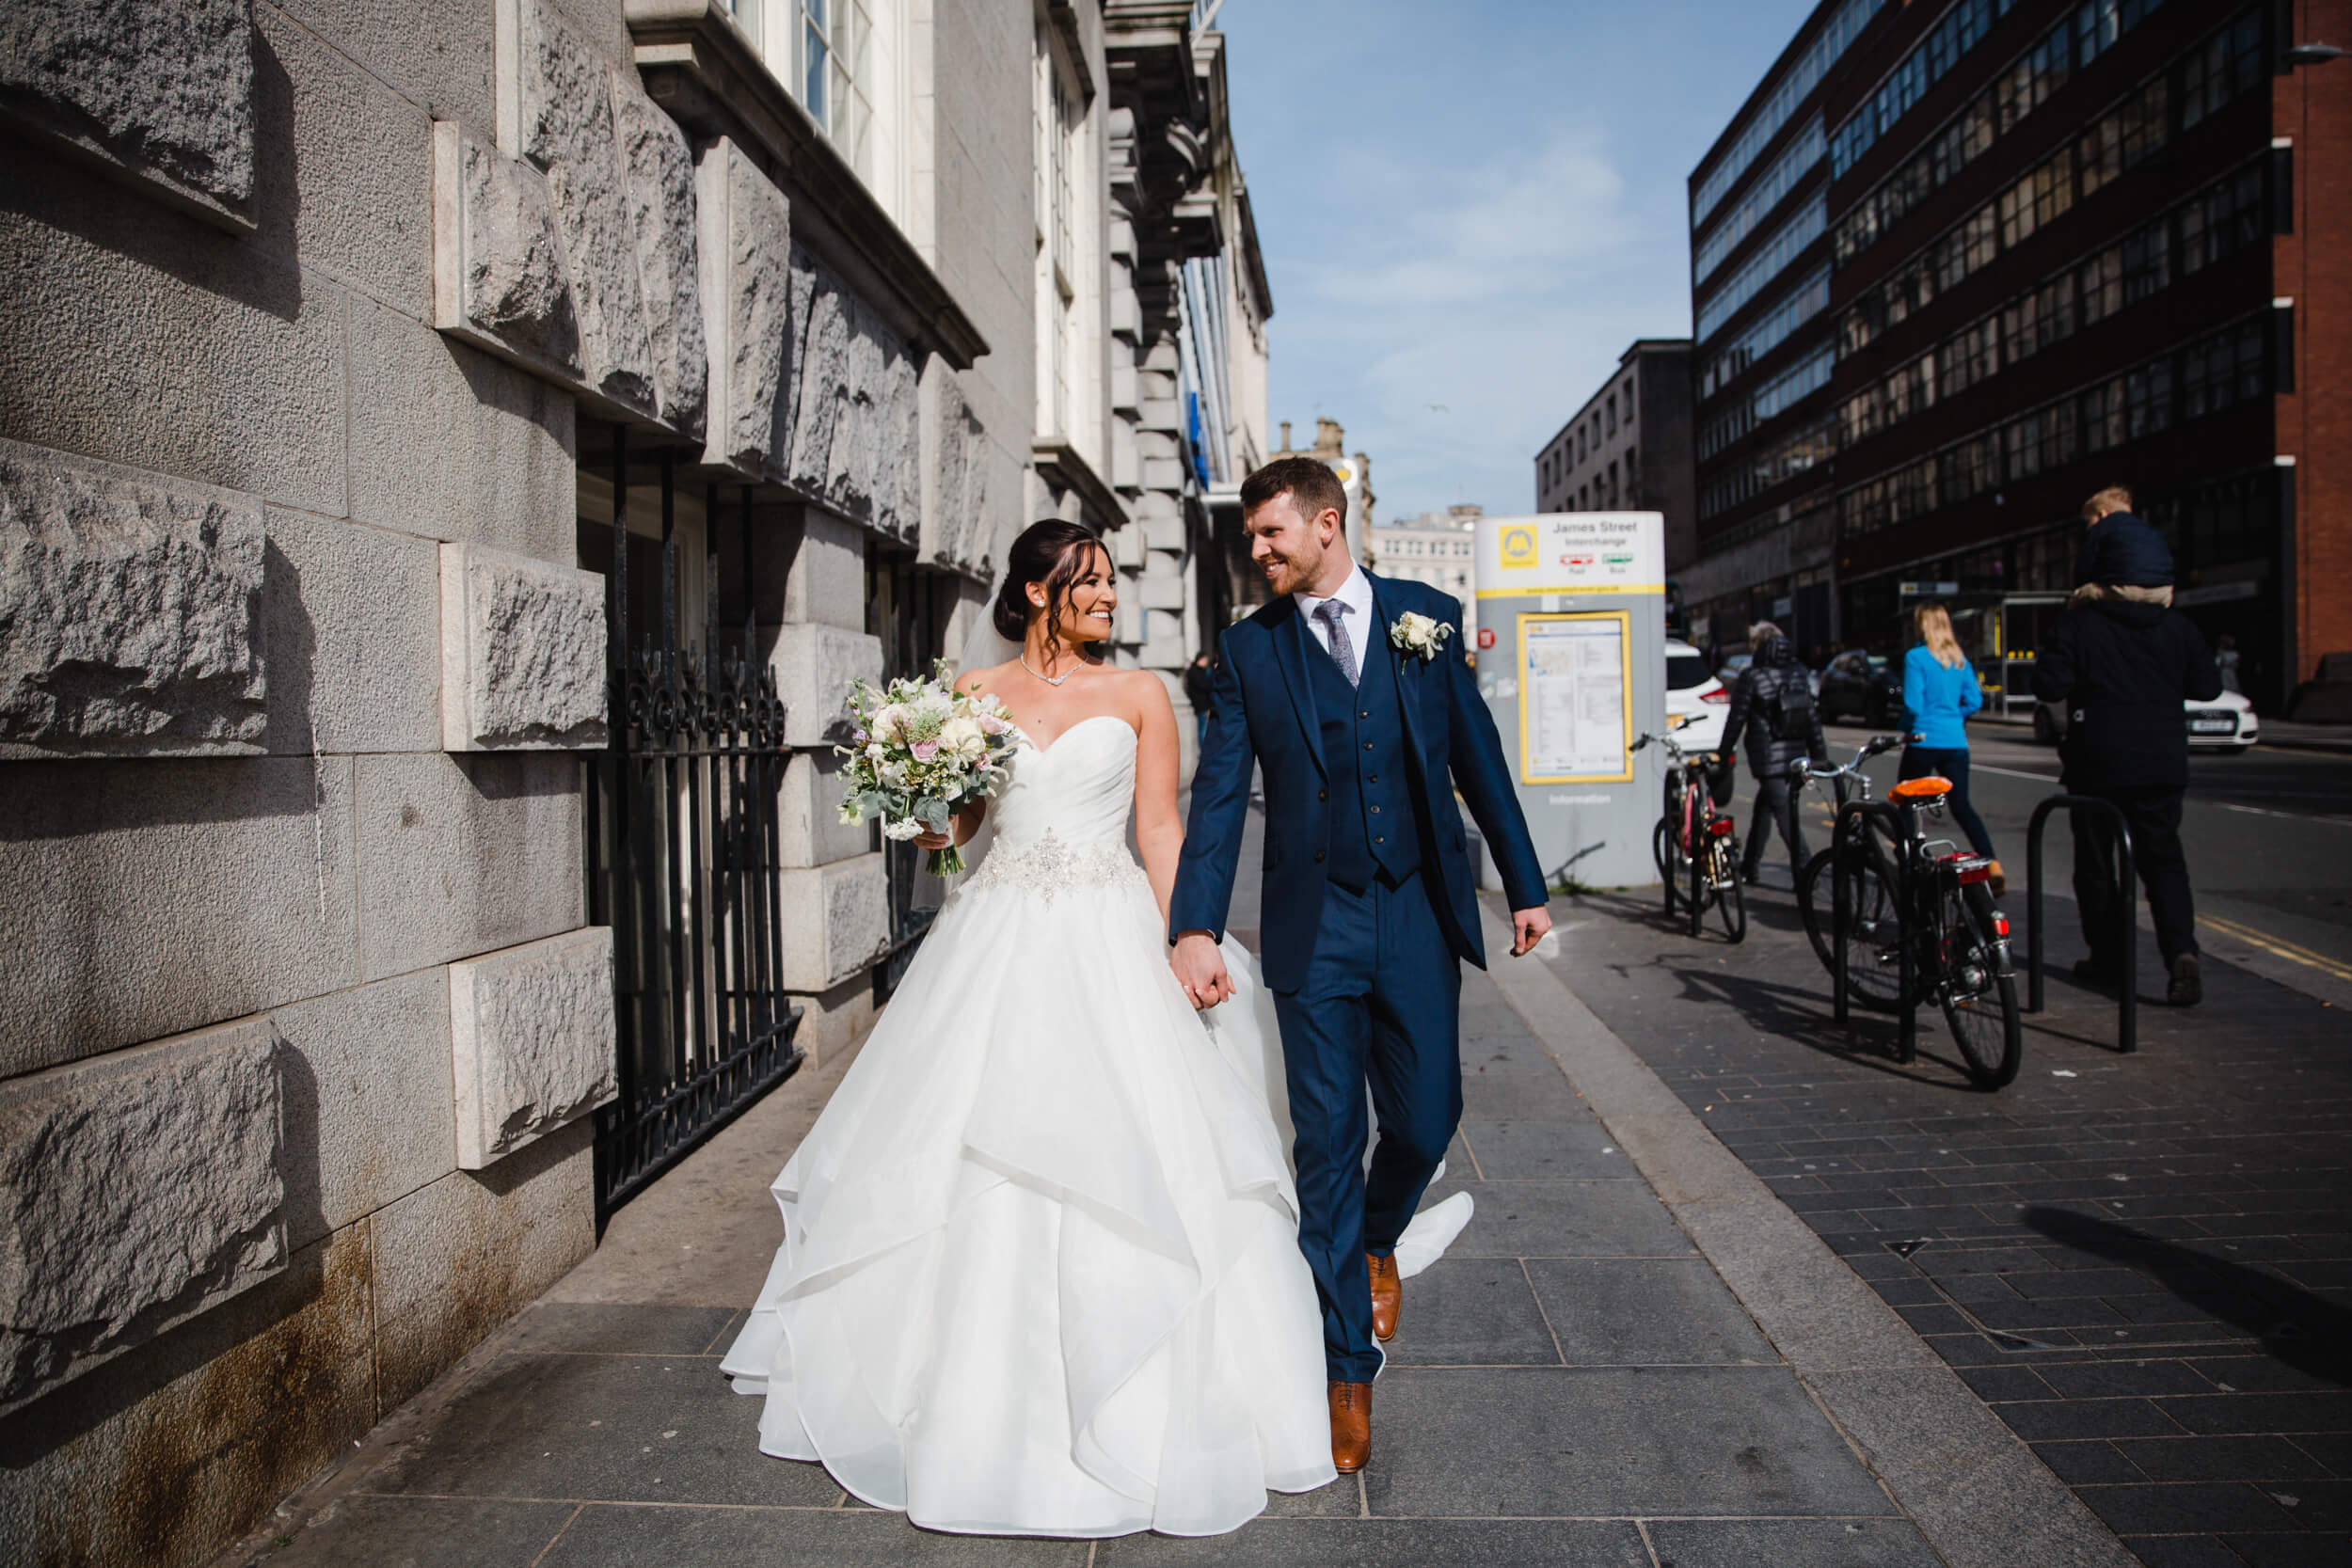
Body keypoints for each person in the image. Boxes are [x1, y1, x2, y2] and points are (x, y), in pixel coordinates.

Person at [719, 520, 1471, 1536]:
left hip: (1108, 925)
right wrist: (921, 805)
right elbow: (962, 830)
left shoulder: (1138, 695)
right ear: (1036, 592)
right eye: (1090, 581)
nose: (1109, 596)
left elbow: (1160, 825)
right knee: (968, 1145)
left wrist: (1191, 934)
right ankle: (975, 1395)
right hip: (995, 933)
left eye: (1112, 580)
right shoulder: (972, 698)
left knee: (1142, 1143)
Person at [1168, 455, 1551, 1475]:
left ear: (1325, 524)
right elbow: (1217, 798)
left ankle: (1380, 1238)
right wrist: (1193, 923)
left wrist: (1524, 883)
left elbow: (1477, 760)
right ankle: (1346, 1363)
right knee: (1327, 1146)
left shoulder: (1422, 619)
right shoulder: (1250, 652)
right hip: (1312, 926)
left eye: (1269, 535)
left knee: (1427, 1118)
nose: (1255, 552)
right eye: (1251, 538)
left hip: (1416, 915)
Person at [2032, 499, 2223, 1007]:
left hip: (2098, 763)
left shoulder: (2081, 624)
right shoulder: (2177, 628)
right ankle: (2181, 954)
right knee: (2163, 863)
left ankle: (2110, 958)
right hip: (2161, 763)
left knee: (2097, 866)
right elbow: (2207, 687)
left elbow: (2049, 685)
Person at [1900, 603, 2003, 895]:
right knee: (1961, 806)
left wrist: (1906, 727)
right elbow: (1974, 701)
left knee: (1906, 803)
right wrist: (1954, 717)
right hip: (1955, 741)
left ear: (1923, 626)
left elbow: (1912, 704)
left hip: (1924, 740)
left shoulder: (1916, 657)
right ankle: (1992, 863)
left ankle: (1911, 867)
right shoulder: (1959, 660)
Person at [1719, 622, 1828, 886]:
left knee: (1783, 815)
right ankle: (1749, 865)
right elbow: (1811, 717)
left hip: (1766, 756)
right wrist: (1818, 753)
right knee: (1764, 809)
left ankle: (1806, 871)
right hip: (1794, 752)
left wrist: (1723, 754)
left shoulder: (1752, 677)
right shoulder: (1798, 673)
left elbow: (1736, 720)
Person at [2075, 484, 2173, 594]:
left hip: (2124, 590)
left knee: (2081, 596)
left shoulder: (2101, 528)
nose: (2088, 527)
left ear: (2102, 514)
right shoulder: (2151, 530)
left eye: (2089, 521)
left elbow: (2084, 569)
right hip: (2163, 592)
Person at [1183, 649, 1217, 749]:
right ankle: (1205, 749)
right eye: (1205, 659)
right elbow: (1204, 685)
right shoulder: (1195, 671)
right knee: (1203, 730)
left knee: (1205, 729)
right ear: (1201, 659)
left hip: (1204, 703)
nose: (1206, 662)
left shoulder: (1200, 670)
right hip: (1201, 704)